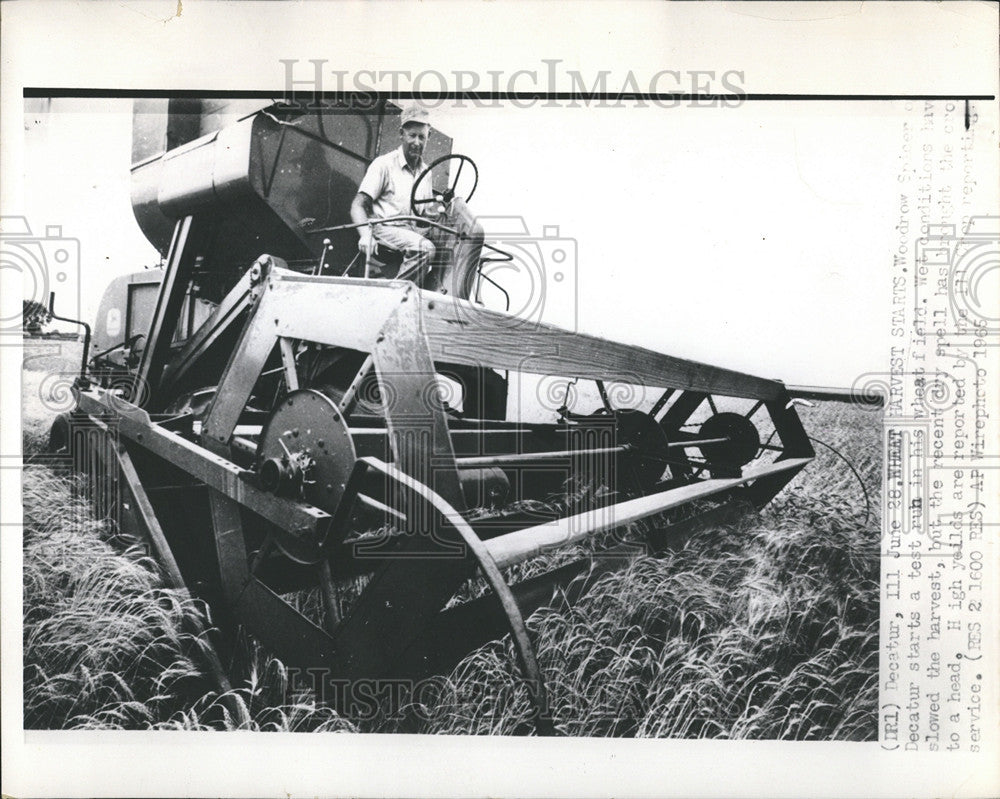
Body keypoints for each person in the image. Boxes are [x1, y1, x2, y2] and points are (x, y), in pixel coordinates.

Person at [350, 105, 485, 297]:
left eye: (422, 137)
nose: (416, 142)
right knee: (425, 249)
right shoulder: (384, 164)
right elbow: (357, 205)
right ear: (401, 134)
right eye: (412, 135)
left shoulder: (425, 173)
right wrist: (365, 235)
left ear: (428, 138)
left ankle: (440, 295)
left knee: (455, 239)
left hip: (411, 229)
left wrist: (444, 210)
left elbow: (422, 214)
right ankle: (395, 297)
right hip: (384, 226)